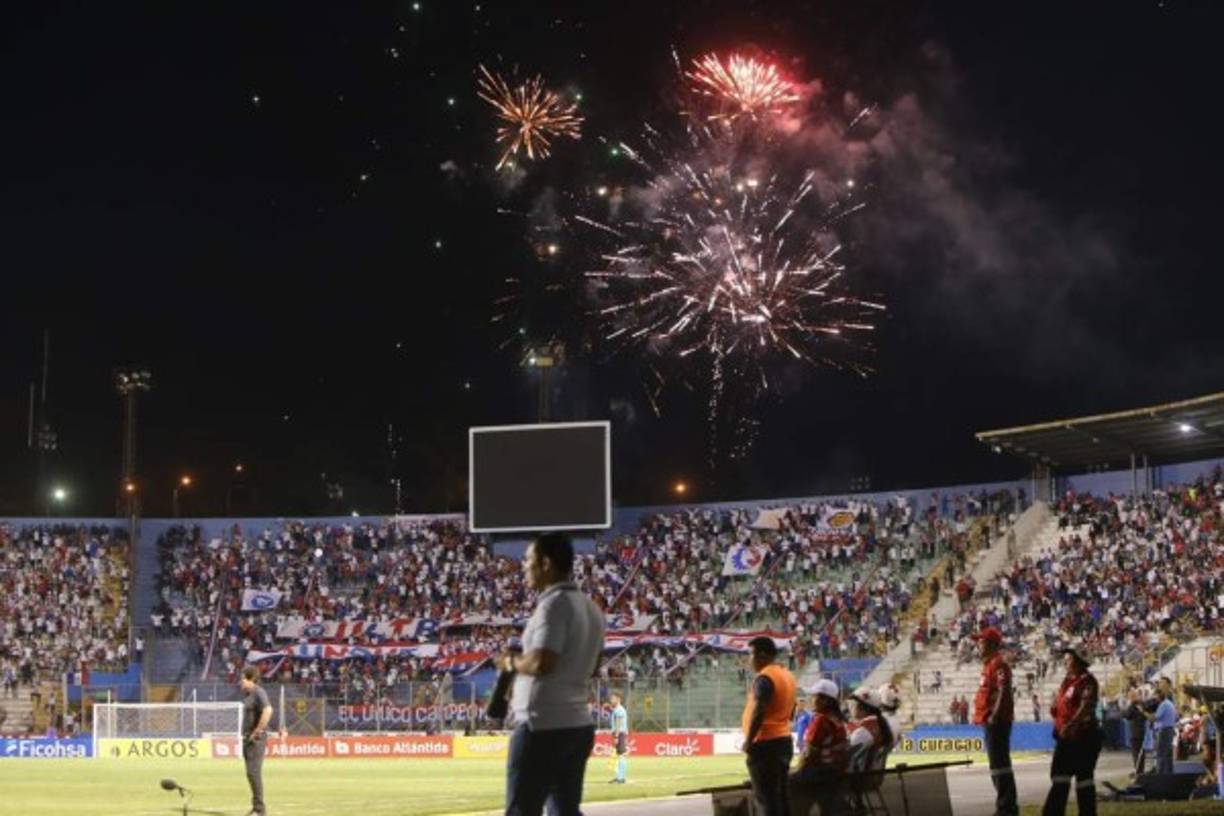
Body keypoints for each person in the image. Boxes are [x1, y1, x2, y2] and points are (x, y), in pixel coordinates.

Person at [500, 533, 605, 816]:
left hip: (542, 726)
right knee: (565, 810)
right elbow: (594, 666)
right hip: (576, 723)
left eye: (528, 560)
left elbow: (542, 662)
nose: (524, 567)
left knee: (523, 810)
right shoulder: (592, 608)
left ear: (545, 563)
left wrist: (511, 663)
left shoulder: (553, 604)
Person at [1041, 644, 1101, 816]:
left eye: (1068, 659)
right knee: (1059, 777)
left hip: (1083, 738)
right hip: (1066, 739)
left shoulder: (1087, 681)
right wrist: (1055, 707)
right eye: (1065, 658)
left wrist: (1072, 724)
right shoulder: (1067, 681)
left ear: (1079, 661)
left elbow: (1086, 706)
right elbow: (1064, 704)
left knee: (1084, 780)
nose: (1065, 662)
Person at [741, 635, 797, 816]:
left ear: (762, 655)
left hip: (765, 744)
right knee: (781, 796)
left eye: (751, 654)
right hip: (783, 740)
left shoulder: (765, 677)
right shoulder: (787, 675)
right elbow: (793, 707)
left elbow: (760, 710)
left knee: (766, 799)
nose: (749, 660)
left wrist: (749, 740)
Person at [972, 626, 1017, 816]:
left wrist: (994, 716)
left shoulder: (998, 664)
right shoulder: (989, 665)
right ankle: (1004, 807)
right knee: (997, 766)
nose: (978, 645)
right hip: (990, 721)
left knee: (1000, 766)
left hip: (996, 723)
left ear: (990, 644)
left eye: (981, 641)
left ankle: (1007, 808)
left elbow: (1004, 690)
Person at [790, 679, 848, 816]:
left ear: (825, 700)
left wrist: (796, 770)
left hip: (821, 773)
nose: (811, 700)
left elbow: (809, 754)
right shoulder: (838, 719)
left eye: (814, 696)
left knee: (786, 783)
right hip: (834, 772)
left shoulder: (821, 720)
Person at [239, 666, 274, 816]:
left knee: (253, 773)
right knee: (251, 774)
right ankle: (257, 808)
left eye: (242, 679)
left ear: (251, 679)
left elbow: (268, 710)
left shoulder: (258, 692)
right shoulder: (248, 694)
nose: (240, 682)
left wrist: (257, 731)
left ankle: (259, 810)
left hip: (255, 740)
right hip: (248, 738)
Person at [1144, 677, 1178, 774]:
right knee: (1164, 752)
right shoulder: (1161, 698)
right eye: (1160, 683)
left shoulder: (1169, 698)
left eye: (1163, 683)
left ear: (1168, 684)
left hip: (1164, 727)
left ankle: (1161, 772)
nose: (1160, 684)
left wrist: (1145, 713)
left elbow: (1156, 715)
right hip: (1160, 727)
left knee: (1162, 752)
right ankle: (1163, 771)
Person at [1123, 688, 1147, 776]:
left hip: (1136, 732)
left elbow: (1127, 715)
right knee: (1140, 753)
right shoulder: (1141, 705)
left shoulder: (1134, 706)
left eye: (1131, 696)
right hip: (1139, 732)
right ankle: (1140, 770)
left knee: (1137, 753)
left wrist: (1130, 704)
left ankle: (1139, 771)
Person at [608, 693, 629, 784]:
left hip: (619, 734)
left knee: (621, 755)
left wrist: (616, 736)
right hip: (619, 734)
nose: (611, 700)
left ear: (618, 699)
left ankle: (621, 778)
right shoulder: (617, 709)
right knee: (618, 756)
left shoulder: (619, 710)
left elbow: (618, 723)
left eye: (613, 698)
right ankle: (619, 777)